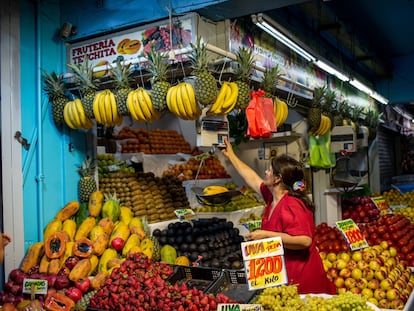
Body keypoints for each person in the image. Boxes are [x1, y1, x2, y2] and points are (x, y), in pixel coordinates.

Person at [221, 138, 336, 295]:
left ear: (278, 178)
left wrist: (266, 235)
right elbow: (252, 178)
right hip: (283, 275)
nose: (266, 172)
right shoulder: (272, 197)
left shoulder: (292, 204)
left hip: (301, 278)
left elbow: (305, 240)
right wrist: (231, 155)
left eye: (269, 170)